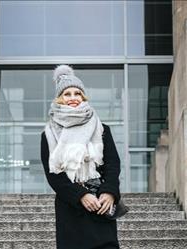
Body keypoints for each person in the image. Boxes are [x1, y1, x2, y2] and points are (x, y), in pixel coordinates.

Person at [41, 65, 121, 249]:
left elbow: (112, 164)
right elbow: (53, 174)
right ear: (60, 99)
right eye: (67, 94)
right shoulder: (49, 134)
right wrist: (81, 196)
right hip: (71, 206)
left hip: (101, 202)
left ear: (83, 97)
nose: (73, 98)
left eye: (77, 93)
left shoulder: (101, 129)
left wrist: (109, 192)